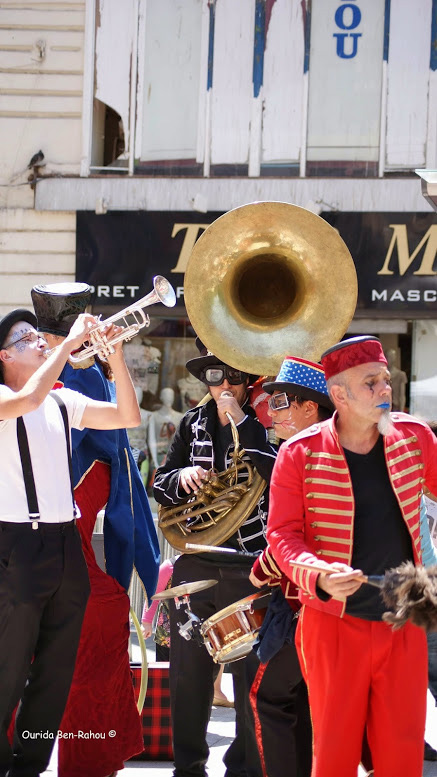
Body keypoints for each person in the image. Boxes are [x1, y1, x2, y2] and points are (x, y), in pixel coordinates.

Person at [266, 335, 437, 777]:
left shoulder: (416, 438)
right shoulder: (299, 452)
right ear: (339, 395)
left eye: (386, 380)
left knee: (403, 758)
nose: (385, 389)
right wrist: (318, 574)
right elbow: (282, 534)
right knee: (334, 757)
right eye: (371, 382)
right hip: (332, 625)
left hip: (404, 622)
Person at [0, 305, 142, 777]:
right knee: (8, 669)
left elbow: (127, 416)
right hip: (17, 546)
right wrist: (68, 346)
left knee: (55, 672)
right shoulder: (6, 397)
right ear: (4, 356)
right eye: (26, 339)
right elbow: (28, 400)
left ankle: (30, 766)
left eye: (38, 336)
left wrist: (113, 355)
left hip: (65, 547)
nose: (39, 341)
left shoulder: (61, 401)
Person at [31, 282, 160, 777]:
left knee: (98, 617)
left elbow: (121, 421)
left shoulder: (74, 385)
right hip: (29, 551)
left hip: (58, 554)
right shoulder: (31, 386)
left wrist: (112, 358)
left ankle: (88, 756)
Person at [153, 338, 277, 777]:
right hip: (197, 560)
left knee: (249, 677)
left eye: (235, 377)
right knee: (188, 675)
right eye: (215, 376)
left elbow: (278, 472)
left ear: (247, 381)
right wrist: (182, 475)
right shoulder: (192, 423)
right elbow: (160, 483)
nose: (225, 385)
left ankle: (242, 768)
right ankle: (188, 767)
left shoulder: (265, 422)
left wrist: (243, 423)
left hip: (250, 564)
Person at [248, 356, 333, 777]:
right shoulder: (344, 450)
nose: (271, 411)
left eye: (281, 401)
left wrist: (261, 570)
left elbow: (291, 535)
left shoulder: (298, 452)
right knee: (307, 704)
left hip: (303, 602)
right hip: (334, 600)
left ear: (310, 408)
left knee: (269, 698)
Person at [141, 556, 232, 705]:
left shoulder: (207, 565)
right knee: (166, 672)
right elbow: (153, 594)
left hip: (196, 631)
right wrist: (146, 621)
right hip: (168, 633)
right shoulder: (169, 566)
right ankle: (167, 701)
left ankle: (209, 694)